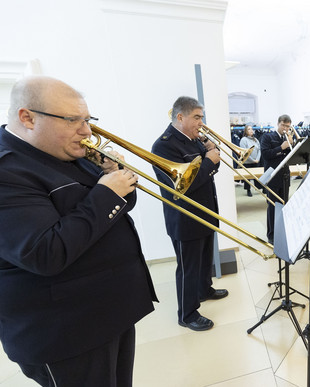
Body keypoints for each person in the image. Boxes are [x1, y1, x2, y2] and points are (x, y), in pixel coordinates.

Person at [0, 76, 157, 386]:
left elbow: (119, 207)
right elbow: (45, 252)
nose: (86, 131)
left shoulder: (67, 152)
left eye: (87, 120)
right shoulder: (7, 171)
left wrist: (114, 176)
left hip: (110, 310)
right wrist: (107, 193)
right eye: (73, 120)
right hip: (65, 332)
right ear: (27, 117)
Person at [151, 96, 228, 332]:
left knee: (204, 259)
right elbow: (181, 186)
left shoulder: (193, 140)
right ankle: (187, 313)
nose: (201, 123)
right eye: (197, 117)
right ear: (180, 117)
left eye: (201, 117)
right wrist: (207, 161)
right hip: (185, 219)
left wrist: (211, 154)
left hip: (205, 211)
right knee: (188, 267)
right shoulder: (163, 146)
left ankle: (204, 289)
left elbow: (210, 169)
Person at [261, 114, 293, 243]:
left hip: (285, 175)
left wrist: (292, 144)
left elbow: (292, 155)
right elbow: (266, 155)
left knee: (284, 205)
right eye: (283, 125)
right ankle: (271, 235)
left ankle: (281, 232)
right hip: (272, 176)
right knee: (273, 206)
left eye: (288, 126)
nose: (285, 128)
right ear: (278, 123)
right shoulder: (268, 137)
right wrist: (282, 147)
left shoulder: (288, 138)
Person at [239, 124, 261, 196]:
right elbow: (245, 153)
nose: (251, 130)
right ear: (245, 131)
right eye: (249, 129)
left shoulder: (256, 140)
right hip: (247, 162)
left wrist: (257, 159)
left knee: (257, 175)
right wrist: (253, 160)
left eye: (251, 129)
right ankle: (248, 190)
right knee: (247, 177)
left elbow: (259, 150)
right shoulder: (243, 140)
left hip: (256, 161)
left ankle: (260, 188)